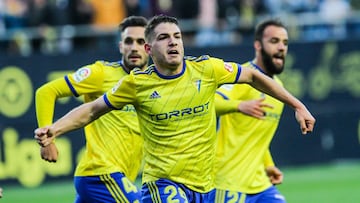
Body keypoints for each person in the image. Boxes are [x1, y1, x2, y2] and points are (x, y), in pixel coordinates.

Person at [34, 15, 315, 203]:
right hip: (163, 185)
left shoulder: (206, 69)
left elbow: (253, 76)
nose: (173, 42)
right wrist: (53, 130)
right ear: (149, 48)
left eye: (177, 36)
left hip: (203, 188)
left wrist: (297, 105)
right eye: (164, 37)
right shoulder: (136, 84)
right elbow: (92, 110)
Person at [35, 16, 149, 203]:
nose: (134, 47)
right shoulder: (101, 73)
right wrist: (47, 141)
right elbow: (46, 92)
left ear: (149, 47)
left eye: (140, 41)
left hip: (121, 176)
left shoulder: (152, 85)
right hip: (100, 174)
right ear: (121, 46)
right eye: (129, 41)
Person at [214, 19, 292, 203]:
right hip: (227, 181)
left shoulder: (277, 88)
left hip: (259, 183)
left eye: (285, 43)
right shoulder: (242, 76)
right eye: (274, 41)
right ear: (258, 45)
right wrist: (238, 105)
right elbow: (211, 104)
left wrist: (268, 164)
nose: (281, 47)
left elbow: (256, 137)